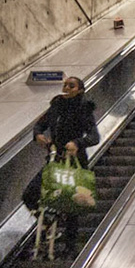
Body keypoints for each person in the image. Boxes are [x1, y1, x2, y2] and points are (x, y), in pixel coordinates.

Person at [33, 75, 99, 250]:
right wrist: (38, 135)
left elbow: (94, 137)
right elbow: (40, 125)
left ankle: (70, 248)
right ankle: (49, 221)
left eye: (71, 86)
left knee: (72, 206)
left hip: (75, 161)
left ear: (80, 90)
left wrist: (77, 143)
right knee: (30, 193)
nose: (67, 88)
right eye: (65, 85)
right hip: (55, 160)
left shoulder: (84, 109)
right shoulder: (56, 106)